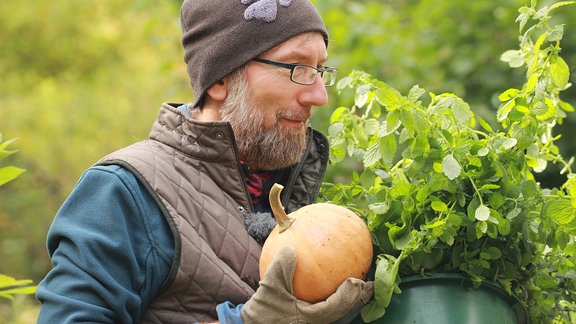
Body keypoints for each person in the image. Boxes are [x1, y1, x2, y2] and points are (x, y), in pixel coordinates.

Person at [36, 0, 373, 323]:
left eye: (318, 70)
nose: (319, 95)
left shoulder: (297, 187)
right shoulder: (125, 191)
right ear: (220, 80)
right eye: (296, 68)